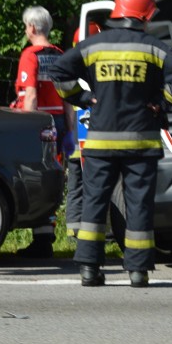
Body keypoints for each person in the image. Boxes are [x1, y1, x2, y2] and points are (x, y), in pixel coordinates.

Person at [50, 0, 172, 287]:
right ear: (145, 16)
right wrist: (164, 104)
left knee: (94, 202)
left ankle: (89, 269)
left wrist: (84, 97)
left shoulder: (93, 45)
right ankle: (138, 271)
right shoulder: (155, 48)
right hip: (141, 142)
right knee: (138, 204)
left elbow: (60, 71)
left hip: (101, 141)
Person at [11, 6, 75, 258]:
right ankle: (45, 235)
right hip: (59, 123)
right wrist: (69, 130)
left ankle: (41, 239)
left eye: (27, 26)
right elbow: (69, 98)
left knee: (36, 180)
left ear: (33, 28)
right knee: (53, 179)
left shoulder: (30, 55)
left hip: (39, 124)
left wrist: (28, 126)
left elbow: (31, 95)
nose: (26, 30)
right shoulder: (60, 55)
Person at [64, 22, 101, 242]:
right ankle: (92, 230)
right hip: (90, 137)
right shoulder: (95, 70)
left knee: (75, 185)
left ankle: (72, 231)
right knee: (92, 185)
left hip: (74, 137)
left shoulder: (71, 69)